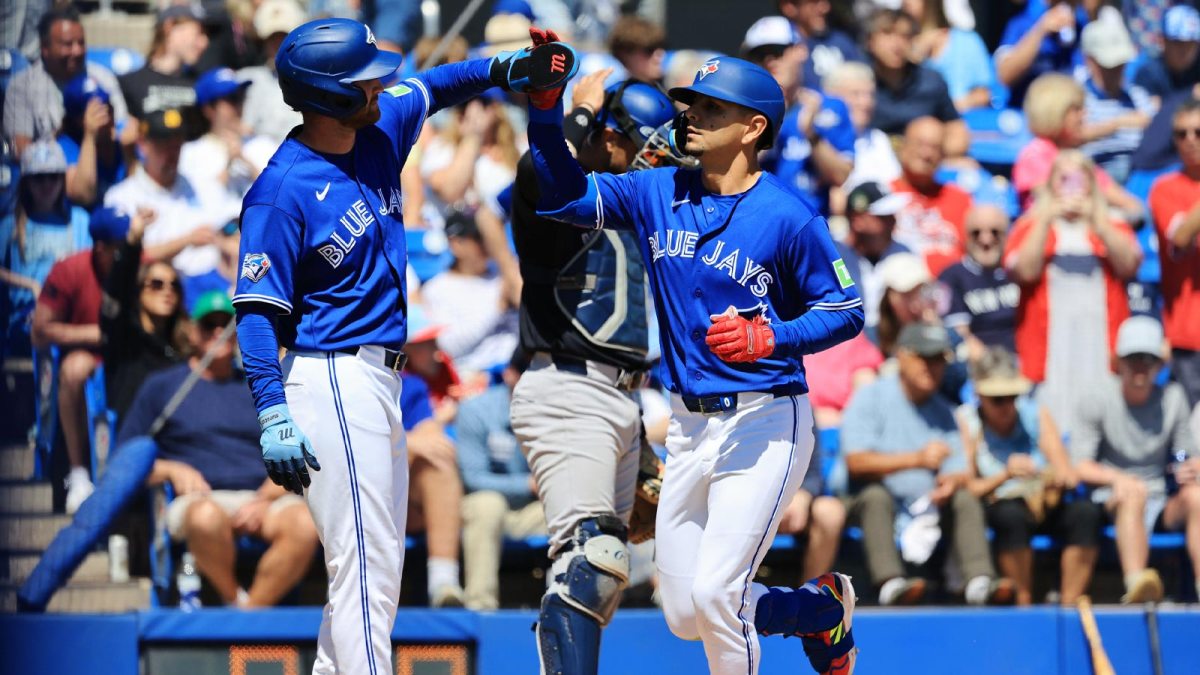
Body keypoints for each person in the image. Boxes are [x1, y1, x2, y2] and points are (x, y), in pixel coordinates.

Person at [231, 19, 576, 674]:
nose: (379, 84)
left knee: (375, 566)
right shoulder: (280, 192)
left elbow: (440, 82)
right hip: (331, 371)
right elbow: (255, 316)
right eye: (363, 79)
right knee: (363, 562)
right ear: (328, 96)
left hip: (379, 378)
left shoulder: (380, 123)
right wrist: (271, 409)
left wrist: (510, 71)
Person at [525, 44, 865, 674]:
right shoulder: (659, 189)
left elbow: (846, 310)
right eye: (691, 103)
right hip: (688, 425)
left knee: (716, 596)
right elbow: (562, 199)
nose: (693, 115)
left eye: (712, 107)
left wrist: (773, 337)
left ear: (754, 127)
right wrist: (549, 113)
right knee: (685, 611)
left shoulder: (789, 215)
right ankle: (820, 610)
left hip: (766, 420)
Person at [508, 68, 682, 673]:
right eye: (643, 144)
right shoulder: (557, 197)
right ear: (609, 136)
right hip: (568, 386)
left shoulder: (640, 207)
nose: (655, 158)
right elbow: (535, 172)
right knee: (589, 560)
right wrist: (575, 113)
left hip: (623, 401)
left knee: (611, 572)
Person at [120, 290, 319, 608]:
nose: (218, 332)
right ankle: (233, 600)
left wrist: (264, 497)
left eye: (226, 323)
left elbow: (295, 448)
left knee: (306, 524)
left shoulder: (263, 386)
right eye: (208, 324)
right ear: (190, 331)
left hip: (261, 499)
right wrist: (172, 469)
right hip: (200, 499)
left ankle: (249, 613)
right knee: (205, 516)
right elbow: (123, 461)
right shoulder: (164, 386)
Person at [842, 323, 1014, 607]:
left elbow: (961, 470)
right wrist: (917, 459)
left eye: (939, 360)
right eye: (925, 357)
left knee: (964, 497)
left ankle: (979, 582)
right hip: (867, 501)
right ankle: (890, 584)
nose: (933, 367)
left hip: (927, 506)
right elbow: (856, 462)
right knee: (875, 497)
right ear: (903, 356)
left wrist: (951, 483)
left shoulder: (944, 411)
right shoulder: (871, 396)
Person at [1005, 150, 1141, 435]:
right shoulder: (1029, 224)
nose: (1072, 187)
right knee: (1052, 415)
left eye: (1080, 179)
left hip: (1100, 340)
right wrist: (1044, 219)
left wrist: (1098, 222)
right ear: (1051, 182)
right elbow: (1025, 272)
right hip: (1051, 343)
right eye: (1063, 178)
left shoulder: (1112, 223)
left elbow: (1128, 265)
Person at [1071, 316, 1200, 603]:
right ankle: (1137, 586)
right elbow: (1080, 465)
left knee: (1197, 497)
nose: (1140, 366)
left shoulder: (1174, 398)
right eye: (1133, 359)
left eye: (1148, 359)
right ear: (1118, 361)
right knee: (1133, 494)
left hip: (1160, 498)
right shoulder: (1096, 397)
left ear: (1161, 364)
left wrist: (1186, 465)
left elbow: (1183, 451)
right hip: (1112, 496)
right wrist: (1119, 479)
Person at [960, 347, 1096, 606]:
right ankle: (1023, 604)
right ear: (979, 395)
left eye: (1012, 396)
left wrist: (1055, 477)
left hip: (1043, 503)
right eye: (997, 399)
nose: (1007, 406)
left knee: (1086, 513)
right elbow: (969, 488)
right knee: (1010, 516)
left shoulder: (1035, 413)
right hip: (999, 506)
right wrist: (1005, 474)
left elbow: (1068, 472)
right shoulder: (966, 422)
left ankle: (1070, 605)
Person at [29, 206, 128, 513]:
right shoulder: (69, 270)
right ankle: (79, 473)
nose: (127, 250)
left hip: (130, 356)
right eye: (119, 245)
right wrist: (95, 334)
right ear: (101, 248)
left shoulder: (139, 265)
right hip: (88, 356)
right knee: (74, 369)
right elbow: (40, 332)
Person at [104, 108, 234, 306]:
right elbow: (124, 258)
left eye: (177, 145)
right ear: (143, 145)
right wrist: (187, 240)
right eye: (164, 145)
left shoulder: (204, 187)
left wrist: (225, 241)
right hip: (159, 292)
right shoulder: (122, 197)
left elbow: (237, 228)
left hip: (214, 288)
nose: (172, 153)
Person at [457, 355, 545, 610]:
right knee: (488, 505)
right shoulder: (476, 410)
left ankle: (576, 608)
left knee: (577, 510)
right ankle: (480, 607)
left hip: (533, 513)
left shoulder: (557, 412)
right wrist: (528, 484)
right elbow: (472, 478)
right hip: (482, 508)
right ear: (510, 374)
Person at [746, 16, 855, 216]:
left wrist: (810, 133)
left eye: (777, 52)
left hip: (811, 221)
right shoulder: (745, 110)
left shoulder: (830, 107)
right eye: (760, 55)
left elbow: (841, 176)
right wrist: (774, 118)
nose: (769, 61)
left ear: (800, 51)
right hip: (759, 218)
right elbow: (737, 167)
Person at [1, 141, 91, 360]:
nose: (47, 185)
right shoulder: (10, 225)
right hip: (24, 317)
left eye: (54, 177)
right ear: (26, 183)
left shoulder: (78, 220)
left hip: (68, 314)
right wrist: (28, 284)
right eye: (38, 178)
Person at [100, 204, 190, 420]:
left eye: (174, 285)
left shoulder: (182, 345)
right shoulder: (123, 336)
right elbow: (117, 290)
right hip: (134, 441)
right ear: (139, 292)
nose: (167, 291)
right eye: (157, 284)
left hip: (178, 440)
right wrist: (133, 242)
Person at [2, 4, 128, 156]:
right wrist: (66, 130)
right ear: (45, 48)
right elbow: (20, 153)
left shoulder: (102, 77)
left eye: (81, 43)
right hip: (50, 175)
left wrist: (100, 130)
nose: (77, 51)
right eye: (67, 44)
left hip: (101, 167)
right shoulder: (21, 87)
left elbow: (124, 129)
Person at [1013, 72, 1144, 215]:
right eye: (1076, 109)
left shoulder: (1077, 159)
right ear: (1054, 112)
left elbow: (1130, 205)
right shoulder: (1035, 154)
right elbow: (1051, 204)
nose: (1084, 114)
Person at [397, 370, 467, 608]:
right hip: (332, 497)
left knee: (439, 464)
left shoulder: (410, 384)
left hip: (400, 502)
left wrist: (418, 438)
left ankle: (443, 582)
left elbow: (431, 436)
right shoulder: (338, 374)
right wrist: (408, 442)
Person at [1148, 98, 1200, 407]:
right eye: (1182, 134)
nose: (1190, 140)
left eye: (1198, 132)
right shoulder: (1165, 188)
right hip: (1190, 335)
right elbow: (1181, 235)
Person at [865, 8, 969, 159]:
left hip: (922, 166)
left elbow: (958, 134)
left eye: (905, 36)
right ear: (870, 41)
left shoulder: (931, 82)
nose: (897, 44)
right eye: (887, 34)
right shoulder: (859, 84)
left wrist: (928, 155)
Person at [179, 67, 275, 226]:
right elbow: (199, 205)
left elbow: (281, 194)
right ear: (209, 109)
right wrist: (228, 164)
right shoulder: (190, 153)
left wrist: (245, 161)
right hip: (218, 238)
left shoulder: (263, 144)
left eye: (241, 97)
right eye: (232, 99)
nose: (239, 106)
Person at [890, 116, 974, 276]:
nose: (927, 154)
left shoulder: (960, 199)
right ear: (903, 147)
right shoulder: (884, 194)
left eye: (935, 147)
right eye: (920, 144)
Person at [938, 204, 1020, 360]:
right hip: (981, 366)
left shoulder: (1018, 271)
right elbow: (960, 336)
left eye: (995, 232)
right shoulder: (952, 277)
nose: (986, 240)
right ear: (966, 237)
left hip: (1026, 358)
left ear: (1007, 235)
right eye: (976, 233)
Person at [1078, 19, 1154, 184]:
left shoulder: (1138, 96)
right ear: (1089, 60)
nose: (1116, 70)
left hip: (1141, 171)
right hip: (1096, 172)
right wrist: (1117, 124)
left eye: (1120, 63)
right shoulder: (1076, 97)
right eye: (1109, 65)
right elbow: (1070, 136)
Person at [118, 3, 209, 140]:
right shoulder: (130, 84)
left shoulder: (201, 84)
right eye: (199, 32)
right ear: (170, 27)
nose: (204, 42)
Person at [835, 181, 910, 334]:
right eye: (883, 217)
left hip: (893, 338)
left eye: (892, 215)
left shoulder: (904, 252)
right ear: (858, 220)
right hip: (844, 340)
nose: (893, 221)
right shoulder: (830, 254)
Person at [822, 62, 902, 204]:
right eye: (856, 94)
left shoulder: (879, 140)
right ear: (831, 97)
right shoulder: (819, 140)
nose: (866, 102)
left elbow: (895, 187)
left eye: (870, 95)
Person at [994, 0, 1088, 110]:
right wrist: (1041, 30)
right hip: (1026, 114)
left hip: (1067, 115)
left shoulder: (1081, 25)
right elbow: (1005, 77)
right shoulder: (1022, 22)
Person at [904, 0, 996, 112]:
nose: (906, 2)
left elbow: (984, 95)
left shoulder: (967, 41)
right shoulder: (897, 47)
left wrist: (950, 107)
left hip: (961, 120)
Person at [777, 442, 850, 581]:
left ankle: (810, 595)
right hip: (748, 501)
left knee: (830, 512)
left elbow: (813, 473)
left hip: (794, 504)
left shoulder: (803, 419)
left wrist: (803, 494)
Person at [238, 0, 306, 144]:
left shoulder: (312, 81)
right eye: (272, 38)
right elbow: (243, 129)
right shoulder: (248, 79)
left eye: (284, 38)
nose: (278, 45)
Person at [777, 0, 866, 91]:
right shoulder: (778, 46)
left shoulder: (841, 41)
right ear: (789, 7)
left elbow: (864, 81)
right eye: (815, 2)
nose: (825, 8)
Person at [1133, 5, 1200, 110]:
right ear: (1162, 41)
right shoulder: (1148, 73)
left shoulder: (1197, 68)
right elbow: (1149, 115)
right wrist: (1191, 94)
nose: (1185, 50)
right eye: (1178, 43)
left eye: (1191, 44)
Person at [607, 15, 666, 84]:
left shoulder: (668, 89)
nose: (660, 56)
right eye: (649, 50)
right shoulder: (611, 91)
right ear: (625, 54)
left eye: (662, 47)